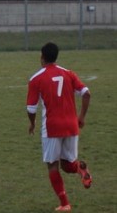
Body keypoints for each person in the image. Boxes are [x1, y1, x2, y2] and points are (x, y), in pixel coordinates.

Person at [26, 42, 92, 212]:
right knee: (68, 165)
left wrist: (32, 123)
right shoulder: (68, 73)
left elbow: (31, 108)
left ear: (42, 57)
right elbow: (86, 93)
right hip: (71, 125)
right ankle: (81, 170)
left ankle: (65, 203)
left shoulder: (36, 78)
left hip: (52, 128)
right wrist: (82, 117)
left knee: (52, 164)